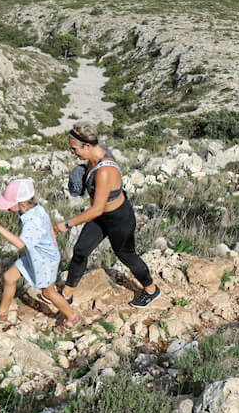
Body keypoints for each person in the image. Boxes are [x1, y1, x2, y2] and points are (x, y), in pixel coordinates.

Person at [54, 124, 161, 308]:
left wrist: (68, 224)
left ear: (87, 146)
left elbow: (96, 210)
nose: (73, 152)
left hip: (119, 219)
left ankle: (151, 290)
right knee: (80, 250)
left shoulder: (105, 171)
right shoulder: (94, 156)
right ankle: (67, 293)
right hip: (102, 216)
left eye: (74, 149)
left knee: (126, 256)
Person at [0, 177, 79, 330]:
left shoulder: (33, 221)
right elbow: (49, 226)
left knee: (49, 292)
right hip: (35, 256)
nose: (7, 207)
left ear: (22, 203)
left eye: (10, 204)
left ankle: (72, 316)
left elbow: (20, 244)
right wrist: (54, 244)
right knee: (9, 277)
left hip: (44, 261)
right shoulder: (36, 208)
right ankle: (1, 313)